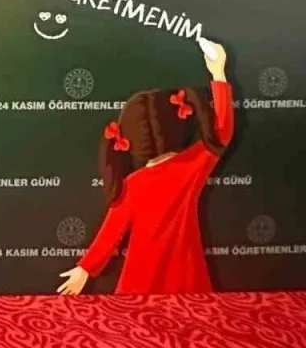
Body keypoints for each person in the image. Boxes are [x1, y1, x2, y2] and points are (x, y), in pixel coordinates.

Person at [57, 39, 234, 295]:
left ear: (129, 140)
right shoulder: (191, 166)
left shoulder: (133, 185)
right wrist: (218, 72)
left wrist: (85, 269)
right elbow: (222, 131)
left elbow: (110, 233)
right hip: (187, 275)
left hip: (139, 280)